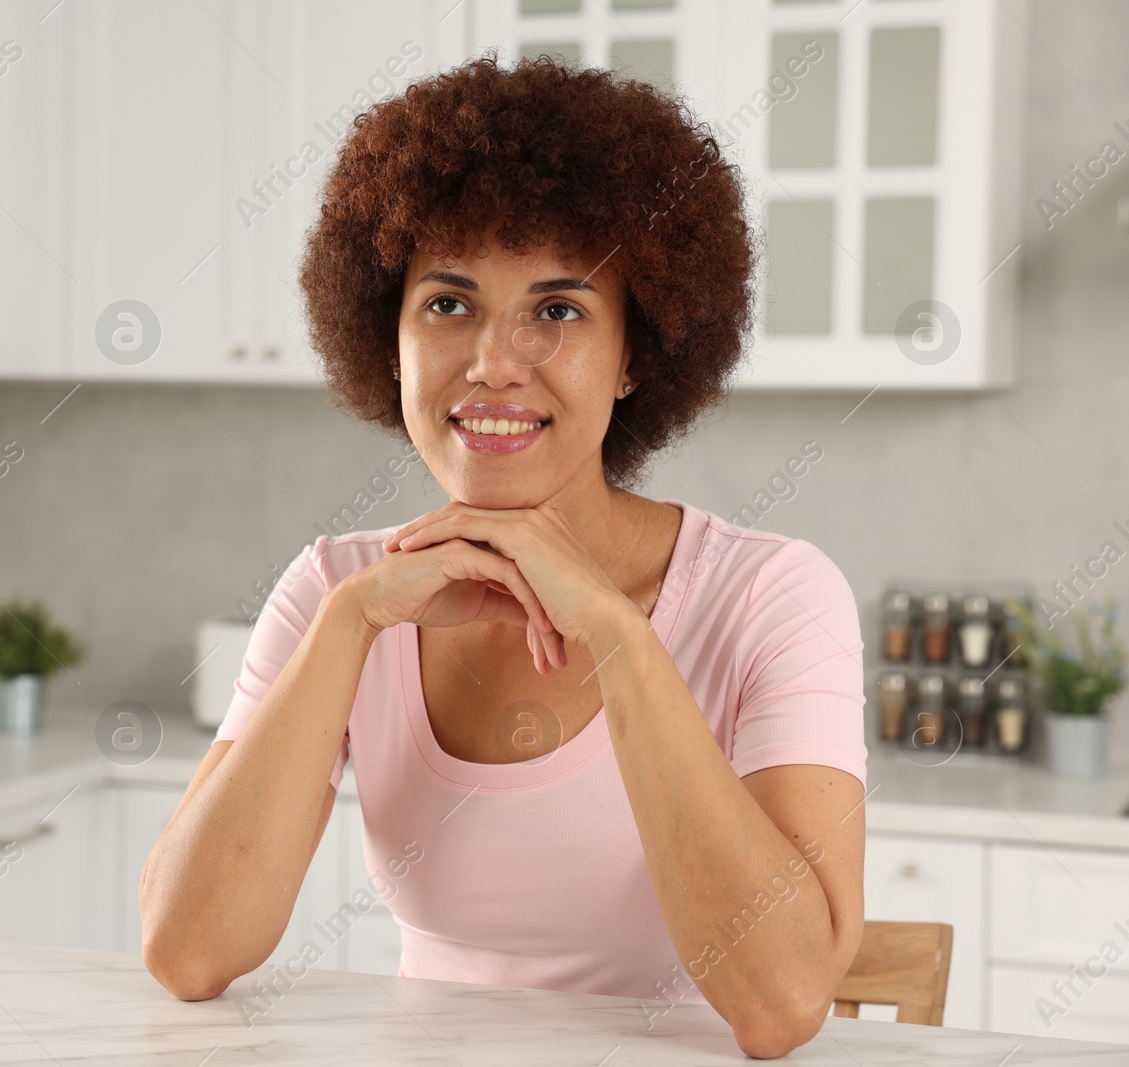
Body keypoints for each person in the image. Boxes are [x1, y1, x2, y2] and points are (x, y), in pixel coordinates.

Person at [140, 53, 867, 1060]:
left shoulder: (772, 594)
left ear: (633, 356)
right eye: (447, 304)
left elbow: (780, 1003)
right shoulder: (336, 588)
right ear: (386, 338)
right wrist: (350, 623)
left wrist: (616, 631)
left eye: (557, 311)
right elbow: (188, 950)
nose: (492, 363)